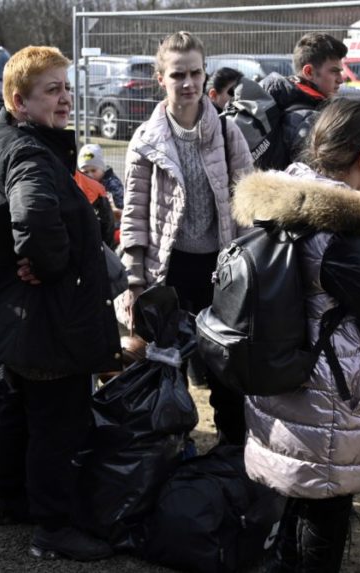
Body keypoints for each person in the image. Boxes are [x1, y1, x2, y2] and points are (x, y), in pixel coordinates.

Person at [0, 46, 119, 561]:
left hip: (16, 315)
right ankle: (53, 528)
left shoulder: (0, 137)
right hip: (43, 314)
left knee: (17, 403)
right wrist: (50, 263)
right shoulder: (31, 153)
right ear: (19, 100)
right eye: (52, 90)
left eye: (66, 86)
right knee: (56, 420)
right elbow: (35, 218)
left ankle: (6, 498)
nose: (65, 98)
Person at [238, 97, 360, 572]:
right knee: (327, 506)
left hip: (285, 375)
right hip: (330, 392)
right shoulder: (345, 231)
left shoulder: (283, 202)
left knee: (299, 493)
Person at [119, 31, 253, 445]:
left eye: (195, 73)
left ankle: (232, 461)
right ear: (161, 78)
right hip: (169, 271)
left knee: (226, 373)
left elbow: (249, 210)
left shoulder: (230, 135)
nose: (189, 83)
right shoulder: (145, 141)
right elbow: (134, 218)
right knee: (166, 371)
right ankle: (171, 457)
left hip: (221, 273)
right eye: (178, 74)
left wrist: (254, 274)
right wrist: (134, 282)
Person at [259, 32, 347, 168]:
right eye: (334, 71)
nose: (340, 79)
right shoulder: (310, 120)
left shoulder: (275, 100)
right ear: (309, 72)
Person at [78, 142, 125, 209]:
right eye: (85, 172)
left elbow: (120, 206)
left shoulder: (112, 184)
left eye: (93, 170)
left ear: (102, 168)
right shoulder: (80, 183)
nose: (90, 175)